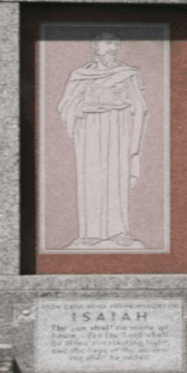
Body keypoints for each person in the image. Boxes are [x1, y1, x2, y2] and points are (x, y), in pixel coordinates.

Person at [56, 32, 148, 249]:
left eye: (116, 43)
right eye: (108, 43)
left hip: (119, 129)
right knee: (92, 178)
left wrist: (123, 102)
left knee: (116, 178)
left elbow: (140, 106)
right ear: (96, 46)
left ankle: (119, 231)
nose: (113, 47)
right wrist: (83, 108)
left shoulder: (128, 74)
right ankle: (91, 232)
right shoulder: (80, 75)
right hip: (90, 131)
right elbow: (65, 106)